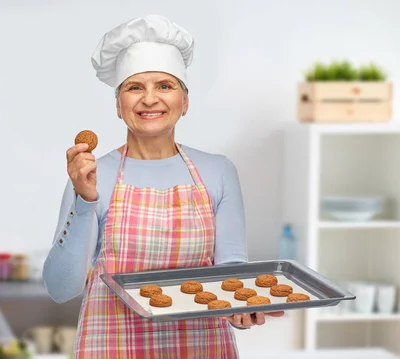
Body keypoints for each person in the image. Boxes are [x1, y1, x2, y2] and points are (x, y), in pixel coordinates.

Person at [42, 14, 283, 358]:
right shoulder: (92, 175)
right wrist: (85, 200)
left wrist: (242, 311)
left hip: (203, 347)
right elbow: (61, 288)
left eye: (165, 86)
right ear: (118, 104)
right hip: (112, 346)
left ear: (185, 103)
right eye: (135, 87)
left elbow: (230, 272)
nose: (149, 99)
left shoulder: (218, 171)